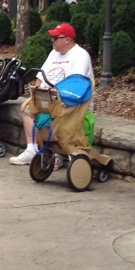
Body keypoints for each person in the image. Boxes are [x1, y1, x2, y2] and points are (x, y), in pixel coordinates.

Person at [9, 22, 94, 164]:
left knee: (54, 115)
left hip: (69, 101)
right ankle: (32, 149)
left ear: (66, 39)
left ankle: (57, 152)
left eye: (55, 38)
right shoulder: (54, 53)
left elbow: (75, 85)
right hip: (49, 98)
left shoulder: (80, 56)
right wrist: (33, 97)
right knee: (28, 109)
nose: (52, 41)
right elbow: (40, 78)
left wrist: (54, 94)